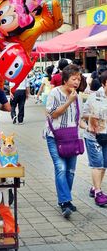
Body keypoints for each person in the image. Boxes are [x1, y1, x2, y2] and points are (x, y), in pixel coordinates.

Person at [45, 64, 82, 218]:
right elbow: (52, 114)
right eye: (74, 79)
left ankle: (64, 199)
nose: (77, 81)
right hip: (55, 137)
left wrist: (89, 126)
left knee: (71, 171)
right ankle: (65, 201)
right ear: (65, 80)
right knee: (60, 167)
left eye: (79, 79)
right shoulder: (55, 93)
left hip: (71, 137)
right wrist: (69, 101)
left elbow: (78, 118)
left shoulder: (76, 95)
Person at [82, 70, 107, 206]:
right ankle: (98, 192)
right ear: (104, 83)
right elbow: (84, 114)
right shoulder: (95, 97)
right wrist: (93, 119)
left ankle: (94, 187)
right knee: (97, 164)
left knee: (104, 165)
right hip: (94, 136)